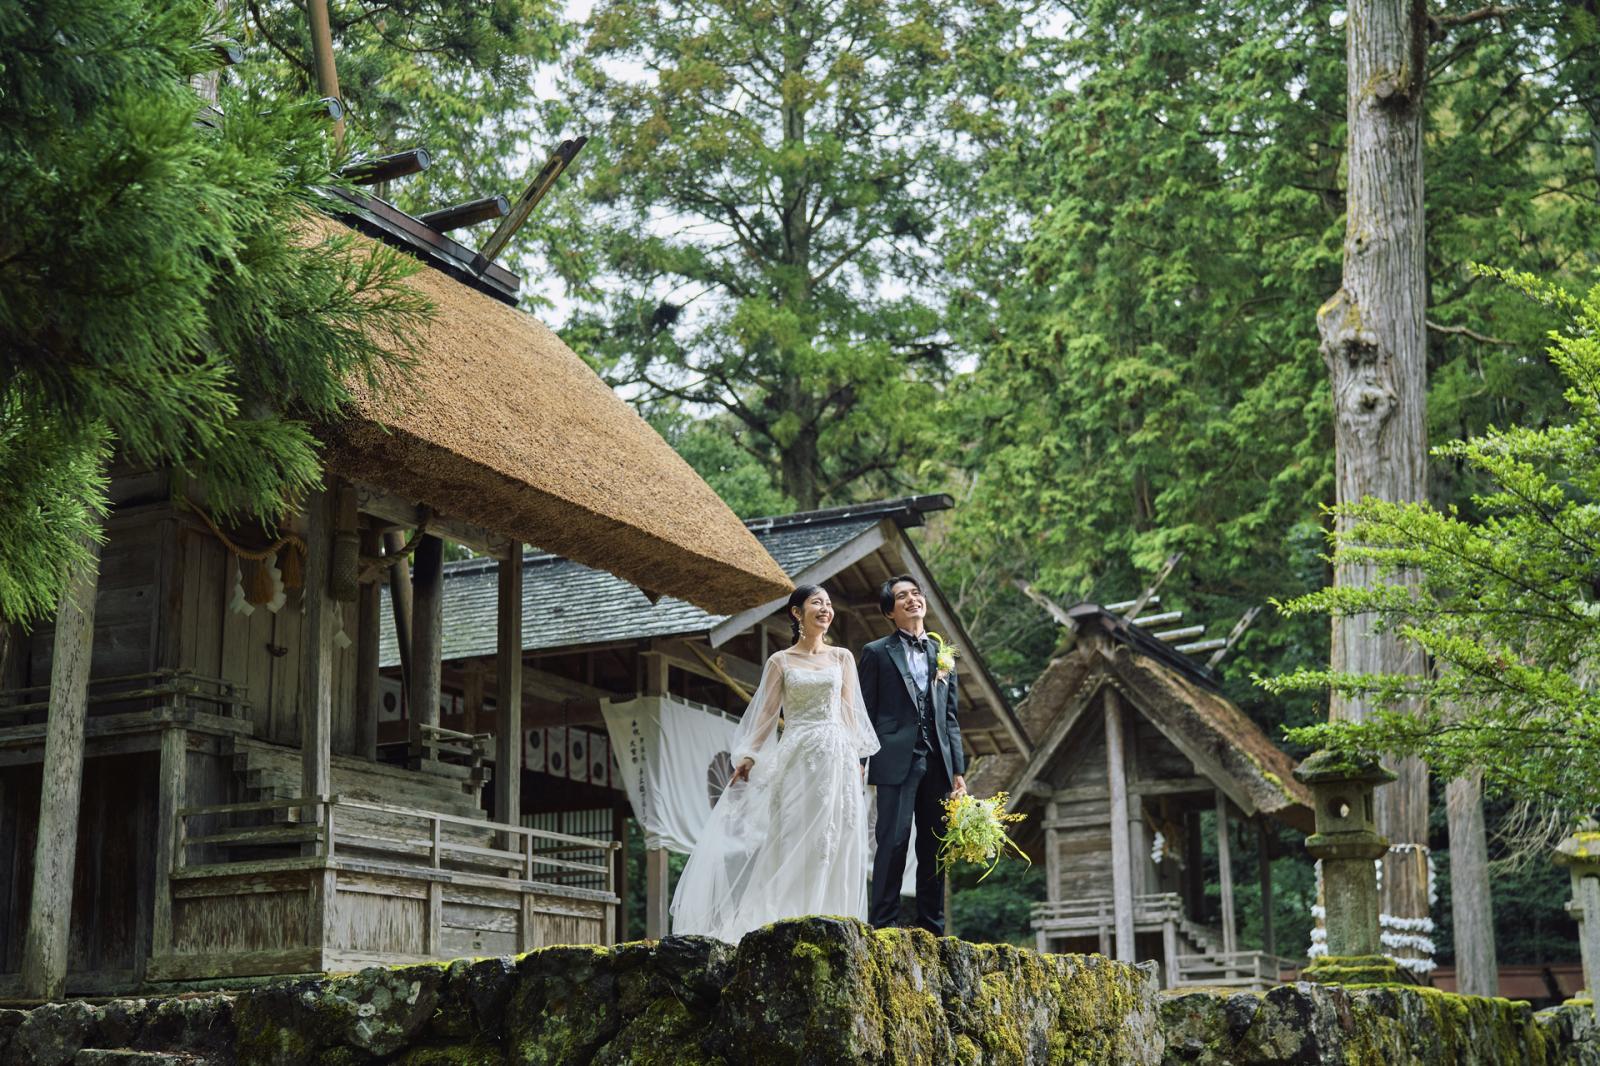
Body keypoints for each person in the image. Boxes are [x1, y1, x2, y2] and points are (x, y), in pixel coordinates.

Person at [669, 584, 880, 942]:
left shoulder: (842, 658)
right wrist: (749, 755)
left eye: (829, 604)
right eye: (817, 603)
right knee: (794, 833)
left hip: (837, 756)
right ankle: (786, 920)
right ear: (797, 613)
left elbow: (849, 711)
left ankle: (830, 919)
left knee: (834, 837)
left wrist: (858, 758)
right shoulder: (780, 661)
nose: (826, 609)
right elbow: (767, 713)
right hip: (797, 755)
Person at [860, 574, 966, 935]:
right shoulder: (876, 652)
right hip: (895, 758)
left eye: (915, 593)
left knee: (936, 842)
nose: (911, 599)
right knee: (893, 839)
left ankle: (932, 926)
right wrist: (861, 760)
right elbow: (865, 711)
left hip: (938, 760)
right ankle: (884, 924)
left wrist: (958, 770)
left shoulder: (943, 656)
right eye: (901, 596)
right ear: (890, 612)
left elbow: (950, 717)